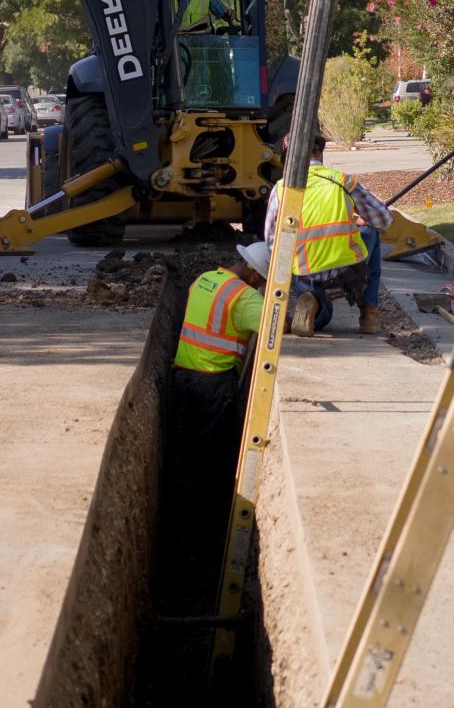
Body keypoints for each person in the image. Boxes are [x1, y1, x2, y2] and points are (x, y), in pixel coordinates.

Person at [167, 242, 272, 537]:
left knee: (185, 452)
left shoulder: (204, 279)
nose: (262, 286)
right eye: (263, 282)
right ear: (255, 277)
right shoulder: (245, 297)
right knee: (218, 458)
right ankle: (213, 526)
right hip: (214, 385)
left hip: (182, 376)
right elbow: (278, 327)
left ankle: (181, 523)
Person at [264, 131, 391, 335]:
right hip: (346, 270)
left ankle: (314, 302)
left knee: (322, 318)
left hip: (306, 274)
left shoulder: (281, 190)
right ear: (320, 153)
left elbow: (272, 244)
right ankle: (368, 312)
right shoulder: (342, 181)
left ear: (288, 160)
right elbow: (383, 220)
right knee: (371, 231)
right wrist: (357, 220)